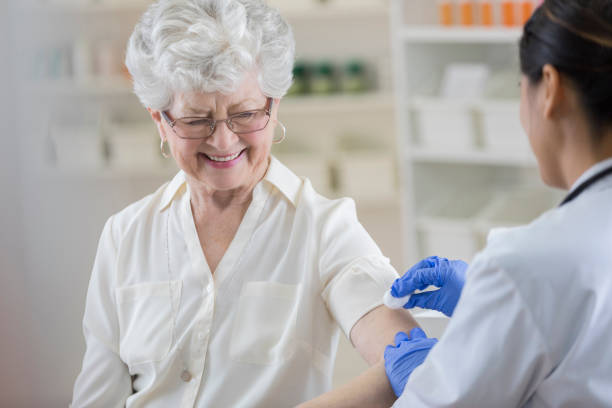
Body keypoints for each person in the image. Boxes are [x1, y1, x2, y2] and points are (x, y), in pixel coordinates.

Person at [70, 0, 417, 406]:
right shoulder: (125, 235)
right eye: (197, 119)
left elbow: (407, 363)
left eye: (246, 114)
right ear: (159, 121)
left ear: (274, 107)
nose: (223, 140)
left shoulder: (323, 229)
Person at [383, 0, 612, 406]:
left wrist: (424, 381)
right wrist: (493, 307)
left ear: (550, 88)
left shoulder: (526, 263)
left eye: (519, 91)